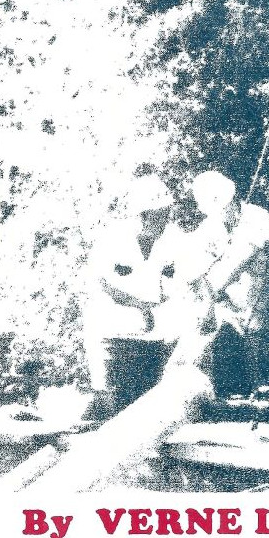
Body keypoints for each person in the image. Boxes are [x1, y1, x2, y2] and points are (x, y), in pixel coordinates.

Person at [153, 171, 269, 398]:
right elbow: (194, 265)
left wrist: (207, 291)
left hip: (262, 298)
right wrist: (193, 289)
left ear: (232, 201)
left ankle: (261, 389)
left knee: (257, 343)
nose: (220, 217)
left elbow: (237, 262)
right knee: (198, 336)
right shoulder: (214, 225)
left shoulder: (257, 218)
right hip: (230, 303)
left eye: (222, 210)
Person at [83, 171, 175, 418]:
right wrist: (142, 306)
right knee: (110, 408)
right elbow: (103, 283)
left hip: (152, 341)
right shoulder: (112, 239)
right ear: (143, 215)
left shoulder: (169, 243)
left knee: (146, 409)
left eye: (166, 214)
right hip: (112, 339)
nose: (165, 222)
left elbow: (175, 284)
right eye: (160, 215)